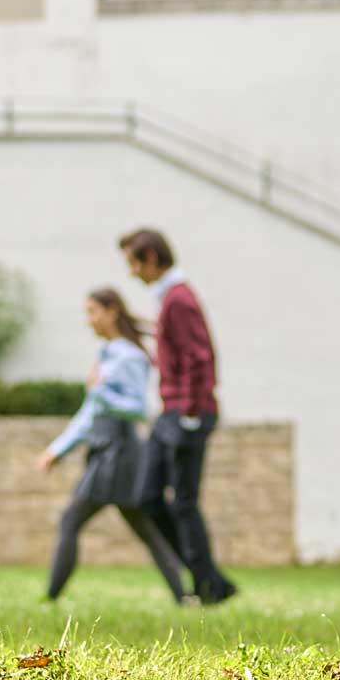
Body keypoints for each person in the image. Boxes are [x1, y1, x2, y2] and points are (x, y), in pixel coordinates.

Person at [36, 287, 190, 604]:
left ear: (112, 312)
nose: (88, 320)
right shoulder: (107, 355)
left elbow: (137, 408)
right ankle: (184, 595)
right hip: (107, 448)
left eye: (92, 311)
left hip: (119, 452)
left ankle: (51, 596)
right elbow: (90, 412)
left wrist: (101, 391)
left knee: (71, 520)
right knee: (143, 526)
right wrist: (58, 449)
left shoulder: (129, 357)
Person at [119, 227, 238, 607]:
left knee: (184, 502)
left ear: (151, 258)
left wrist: (188, 412)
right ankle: (210, 579)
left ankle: (209, 585)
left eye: (133, 264)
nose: (132, 273)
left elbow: (200, 358)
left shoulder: (179, 299)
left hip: (187, 413)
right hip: (171, 412)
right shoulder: (170, 299)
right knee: (147, 497)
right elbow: (174, 343)